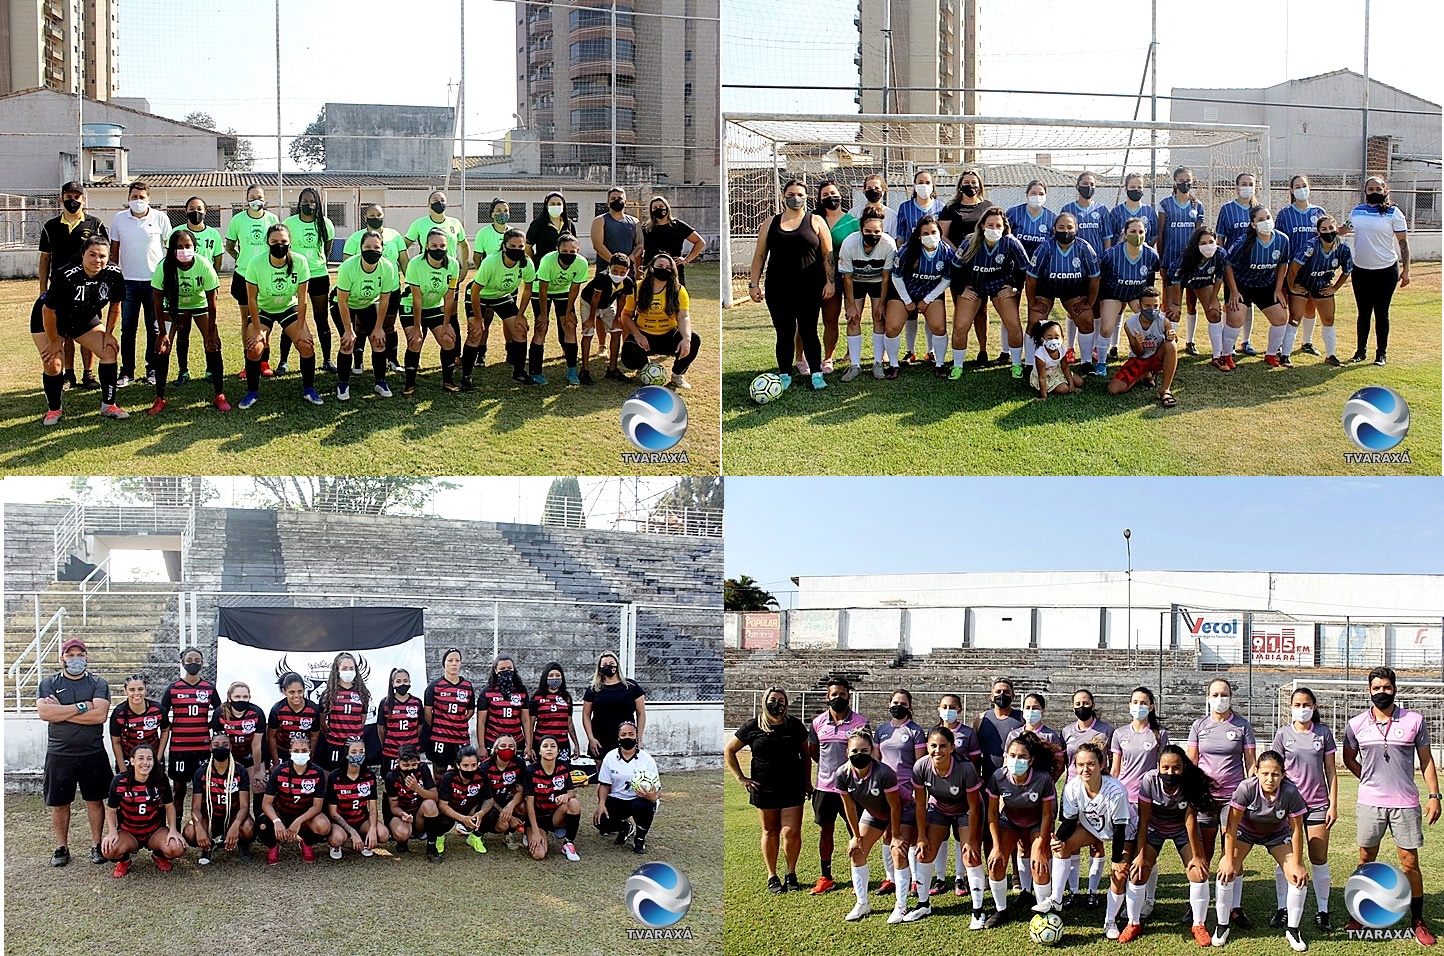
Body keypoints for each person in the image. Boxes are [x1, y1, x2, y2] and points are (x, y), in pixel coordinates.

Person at [1341, 666, 1440, 945]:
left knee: (1410, 864)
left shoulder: (1415, 721)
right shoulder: (1356, 723)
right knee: (1365, 860)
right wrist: (1369, 779)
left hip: (1405, 804)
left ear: (1394, 689)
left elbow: (1426, 761)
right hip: (1370, 803)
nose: (1381, 692)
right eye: (1376, 688)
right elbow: (1349, 758)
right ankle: (1359, 913)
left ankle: (1417, 920)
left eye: (1386, 687)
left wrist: (1434, 795)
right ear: (1369, 691)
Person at [1034, 743, 1137, 944]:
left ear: (1101, 764)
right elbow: (1070, 821)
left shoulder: (1116, 791)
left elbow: (1119, 829)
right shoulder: (1072, 787)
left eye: (1090, 764)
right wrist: (1059, 839)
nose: (1085, 769)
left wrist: (1117, 859)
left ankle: (1110, 922)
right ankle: (1056, 899)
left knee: (1118, 874)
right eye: (1080, 764)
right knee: (1061, 848)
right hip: (1094, 828)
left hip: (1124, 832)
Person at [1212, 751, 1310, 951]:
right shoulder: (1246, 788)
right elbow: (1231, 826)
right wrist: (1229, 858)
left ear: (1283, 775)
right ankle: (1222, 925)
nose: (1270, 779)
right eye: (1265, 773)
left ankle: (1293, 929)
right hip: (1245, 833)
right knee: (1226, 871)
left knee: (1297, 876)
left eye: (1275, 774)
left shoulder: (1290, 792)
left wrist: (1298, 864)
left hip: (1277, 835)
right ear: (1256, 771)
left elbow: (1297, 829)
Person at [1187, 677, 1259, 930]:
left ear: (1231, 697)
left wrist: (1250, 790)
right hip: (1206, 799)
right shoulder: (1199, 725)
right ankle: (1198, 903)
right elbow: (1192, 762)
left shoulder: (1242, 725)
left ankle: (1234, 907)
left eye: (1224, 694)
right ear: (1208, 698)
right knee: (1204, 853)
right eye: (1215, 695)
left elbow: (1251, 763)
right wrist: (1193, 793)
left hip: (1233, 799)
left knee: (1233, 854)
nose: (1220, 699)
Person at [749, 179, 833, 391]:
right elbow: (759, 256)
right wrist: (753, 284)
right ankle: (784, 374)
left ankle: (816, 373)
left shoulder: (816, 221)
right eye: (791, 194)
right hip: (778, 288)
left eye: (800, 194)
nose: (795, 198)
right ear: (783, 196)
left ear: (806, 198)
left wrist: (830, 282)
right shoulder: (770, 223)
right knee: (784, 332)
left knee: (809, 331)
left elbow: (828, 256)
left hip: (809, 287)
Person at [1133, 745, 1218, 947]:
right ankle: (1133, 922)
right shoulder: (1149, 780)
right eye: (1166, 768)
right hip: (1154, 827)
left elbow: (1190, 820)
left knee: (1199, 872)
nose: (1170, 773)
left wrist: (1197, 856)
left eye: (1176, 768)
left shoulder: (1189, 782)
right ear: (1158, 767)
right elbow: (1143, 821)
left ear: (1183, 768)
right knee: (1138, 872)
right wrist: (1140, 854)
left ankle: (1198, 924)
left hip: (1181, 829)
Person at [1268, 686, 1338, 932]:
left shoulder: (1323, 733)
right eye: (1297, 705)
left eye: (1306, 705)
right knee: (1286, 860)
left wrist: (1333, 804)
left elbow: (1331, 770)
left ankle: (1322, 911)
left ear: (1314, 707)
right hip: (1288, 807)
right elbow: (1273, 771)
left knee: (1318, 858)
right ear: (1290, 707)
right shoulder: (1282, 734)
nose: (1302, 709)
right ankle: (1282, 908)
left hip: (1318, 805)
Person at [726, 687, 809, 894]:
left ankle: (791, 873)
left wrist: (807, 781)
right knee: (770, 831)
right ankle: (772, 875)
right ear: (765, 701)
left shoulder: (794, 726)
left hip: (792, 786)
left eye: (781, 700)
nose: (777, 704)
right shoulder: (753, 726)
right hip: (764, 788)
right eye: (773, 700)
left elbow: (806, 755)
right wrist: (741, 778)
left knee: (792, 831)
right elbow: (730, 750)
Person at [38, 638, 112, 866]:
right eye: (70, 655)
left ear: (87, 657)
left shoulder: (98, 683)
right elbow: (45, 714)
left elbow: (99, 716)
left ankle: (96, 845)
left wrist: (60, 710)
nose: (75, 659)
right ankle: (62, 847)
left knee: (95, 800)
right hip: (60, 753)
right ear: (62, 658)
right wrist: (83, 706)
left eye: (80, 654)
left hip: (92, 752)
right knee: (60, 803)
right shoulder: (49, 683)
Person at [37, 236, 127, 423]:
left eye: (102, 256)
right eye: (92, 255)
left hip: (82, 318)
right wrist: (55, 342)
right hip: (51, 319)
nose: (97, 260)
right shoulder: (66, 275)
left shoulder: (114, 273)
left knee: (109, 351)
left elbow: (115, 305)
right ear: (82, 255)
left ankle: (108, 405)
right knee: (53, 363)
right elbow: (48, 311)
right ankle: (54, 409)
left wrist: (108, 334)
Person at [907, 725, 986, 926]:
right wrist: (922, 836)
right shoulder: (920, 767)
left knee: (970, 854)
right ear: (927, 746)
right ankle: (923, 904)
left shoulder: (966, 768)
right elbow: (920, 804)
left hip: (966, 809)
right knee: (924, 852)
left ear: (952, 747)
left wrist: (972, 840)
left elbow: (974, 806)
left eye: (943, 746)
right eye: (933, 745)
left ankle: (978, 910)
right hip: (939, 807)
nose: (938, 750)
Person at [828, 728, 908, 923]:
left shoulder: (884, 772)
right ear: (847, 752)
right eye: (854, 751)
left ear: (872, 751)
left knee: (897, 850)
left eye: (864, 751)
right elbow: (850, 809)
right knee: (857, 851)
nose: (859, 755)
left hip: (905, 810)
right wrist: (856, 836)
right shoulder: (841, 774)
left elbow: (895, 807)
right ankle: (862, 903)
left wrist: (895, 835)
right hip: (875, 813)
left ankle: (901, 906)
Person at [34, 180, 106, 392]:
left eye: (77, 196)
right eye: (69, 196)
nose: (72, 200)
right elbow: (45, 260)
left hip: (89, 289)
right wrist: (42, 290)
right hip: (60, 290)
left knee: (88, 330)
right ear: (61, 198)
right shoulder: (51, 227)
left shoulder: (95, 224)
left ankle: (89, 374)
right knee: (64, 335)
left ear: (84, 199)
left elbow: (103, 256)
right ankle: (69, 374)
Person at [240, 223, 320, 408]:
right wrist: (259, 329)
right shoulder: (256, 263)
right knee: (254, 348)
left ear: (290, 242)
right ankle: (252, 392)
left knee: (306, 346)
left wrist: (300, 328)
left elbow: (302, 298)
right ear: (267, 242)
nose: (279, 244)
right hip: (263, 309)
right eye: (274, 241)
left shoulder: (299, 262)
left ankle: (309, 390)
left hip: (287, 307)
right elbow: (251, 299)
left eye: (283, 241)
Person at [984, 731, 1059, 928]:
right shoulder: (998, 776)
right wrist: (997, 846)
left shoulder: (1043, 779)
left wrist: (1042, 847)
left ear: (1031, 760)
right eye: (1012, 755)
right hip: (1010, 821)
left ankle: (1045, 911)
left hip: (1036, 823)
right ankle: (1001, 910)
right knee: (996, 862)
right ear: (1006, 756)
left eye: (1022, 756)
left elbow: (1046, 815)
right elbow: (992, 813)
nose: (1016, 760)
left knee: (1039, 863)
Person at [805, 677, 869, 894]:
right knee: (826, 831)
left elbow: (865, 753)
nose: (838, 698)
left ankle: (858, 876)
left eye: (842, 694)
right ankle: (826, 876)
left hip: (853, 789)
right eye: (834, 695)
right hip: (825, 788)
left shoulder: (861, 722)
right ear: (827, 697)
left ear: (848, 696)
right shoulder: (817, 723)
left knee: (857, 832)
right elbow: (814, 752)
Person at [147, 228, 221, 414]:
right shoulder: (164, 266)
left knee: (213, 345)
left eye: (187, 246)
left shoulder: (203, 264)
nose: (184, 250)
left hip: (200, 305)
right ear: (171, 249)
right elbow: (156, 301)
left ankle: (219, 394)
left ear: (194, 247)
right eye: (179, 246)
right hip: (172, 308)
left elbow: (212, 303)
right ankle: (160, 398)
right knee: (163, 348)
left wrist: (211, 331)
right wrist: (162, 332)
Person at [949, 207, 1028, 379]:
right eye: (990, 225)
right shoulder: (970, 242)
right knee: (960, 326)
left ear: (1004, 227)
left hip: (1000, 287)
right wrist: (963, 289)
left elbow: (1024, 268)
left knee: (1014, 324)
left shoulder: (1011, 242)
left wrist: (1014, 287)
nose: (994, 229)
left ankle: (1016, 364)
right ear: (982, 225)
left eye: (998, 225)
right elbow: (954, 268)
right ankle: (957, 365)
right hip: (974, 286)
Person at [109, 180, 172, 387]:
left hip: (154, 284)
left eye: (141, 197)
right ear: (128, 198)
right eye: (134, 197)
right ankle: (126, 371)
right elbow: (114, 251)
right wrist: (114, 277)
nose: (138, 201)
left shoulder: (160, 218)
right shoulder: (119, 219)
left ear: (149, 199)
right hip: (127, 283)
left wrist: (167, 278)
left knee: (153, 328)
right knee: (128, 328)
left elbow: (169, 248)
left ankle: (152, 369)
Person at [1058, 690, 1117, 908]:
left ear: (1093, 704)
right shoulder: (1066, 731)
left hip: (1097, 793)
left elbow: (1111, 762)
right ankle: (1073, 891)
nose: (1082, 706)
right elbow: (1064, 762)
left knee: (1096, 842)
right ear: (1072, 706)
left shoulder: (1106, 730)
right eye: (1078, 703)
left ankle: (1092, 891)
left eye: (1086, 702)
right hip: (1073, 794)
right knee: (1071, 842)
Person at [1025, 212, 1100, 374]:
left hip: (1073, 289)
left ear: (1076, 229)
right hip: (1046, 288)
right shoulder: (1045, 248)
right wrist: (1032, 302)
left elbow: (1095, 278)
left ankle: (1086, 362)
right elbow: (1031, 278)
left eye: (1069, 227)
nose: (1065, 231)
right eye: (1061, 227)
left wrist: (1090, 302)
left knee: (1087, 319)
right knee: (1035, 320)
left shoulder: (1084, 248)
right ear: (1054, 230)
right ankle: (1030, 364)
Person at [1346, 176, 1410, 366]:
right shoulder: (1357, 212)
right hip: (1361, 270)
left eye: (1378, 189)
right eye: (1371, 189)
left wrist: (1406, 269)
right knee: (1363, 313)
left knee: (1382, 313)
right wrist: (1323, 229)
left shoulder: (1394, 213)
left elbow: (1403, 243)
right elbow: (1343, 229)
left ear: (1385, 190)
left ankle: (1381, 354)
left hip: (1385, 271)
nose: (1375, 192)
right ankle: (1360, 351)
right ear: (1365, 191)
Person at [872, 690, 927, 903]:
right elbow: (876, 758)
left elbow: (919, 763)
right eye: (895, 702)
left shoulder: (915, 731)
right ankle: (890, 878)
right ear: (889, 704)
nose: (899, 706)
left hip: (906, 789)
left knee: (909, 836)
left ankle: (914, 879)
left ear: (909, 707)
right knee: (888, 834)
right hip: (885, 790)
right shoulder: (882, 730)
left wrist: (915, 790)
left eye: (903, 703)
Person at [100, 742, 185, 876]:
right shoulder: (119, 781)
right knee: (109, 850)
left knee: (177, 848)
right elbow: (111, 810)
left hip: (154, 831)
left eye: (149, 759)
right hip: (129, 832)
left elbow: (169, 806)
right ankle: (124, 860)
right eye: (141, 758)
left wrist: (173, 830)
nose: (145, 762)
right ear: (132, 761)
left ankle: (158, 855)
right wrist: (111, 832)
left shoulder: (161, 779)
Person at [618, 252, 702, 389]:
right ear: (651, 268)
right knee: (628, 354)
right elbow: (626, 315)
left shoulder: (679, 290)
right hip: (644, 335)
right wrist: (637, 335)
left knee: (694, 339)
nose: (664, 269)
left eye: (668, 267)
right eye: (660, 266)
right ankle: (644, 368)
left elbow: (683, 316)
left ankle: (677, 375)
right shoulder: (637, 287)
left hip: (668, 334)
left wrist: (686, 338)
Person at [332, 230, 399, 398]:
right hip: (343, 304)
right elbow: (342, 301)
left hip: (368, 304)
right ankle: (343, 384)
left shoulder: (388, 268)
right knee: (347, 343)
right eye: (367, 246)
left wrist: (378, 328)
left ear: (383, 249)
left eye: (376, 247)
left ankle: (380, 382)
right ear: (360, 248)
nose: (372, 250)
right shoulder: (348, 267)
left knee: (379, 341)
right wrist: (348, 329)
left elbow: (384, 300)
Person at [342, 203, 409, 371]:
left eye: (378, 215)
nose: (375, 218)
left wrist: (409, 283)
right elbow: (347, 264)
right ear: (365, 217)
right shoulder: (355, 238)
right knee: (361, 326)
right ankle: (358, 361)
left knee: (388, 326)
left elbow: (404, 262)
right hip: (363, 292)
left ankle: (392, 360)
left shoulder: (394, 236)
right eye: (371, 215)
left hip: (390, 289)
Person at [1224, 205, 1293, 367]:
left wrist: (1278, 289)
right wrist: (1233, 291)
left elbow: (1283, 264)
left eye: (1268, 218)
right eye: (1260, 220)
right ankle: (1225, 355)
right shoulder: (1243, 242)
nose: (1266, 222)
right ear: (1253, 224)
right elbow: (1227, 264)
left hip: (1265, 285)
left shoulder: (1282, 240)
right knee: (1235, 320)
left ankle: (1270, 355)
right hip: (1242, 285)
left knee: (1281, 318)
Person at [886, 215, 953, 378]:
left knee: (939, 327)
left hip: (930, 292)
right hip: (903, 292)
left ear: (939, 231)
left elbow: (946, 279)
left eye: (933, 232)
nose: (931, 236)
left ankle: (940, 364)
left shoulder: (946, 252)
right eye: (925, 233)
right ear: (919, 236)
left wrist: (927, 300)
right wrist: (908, 301)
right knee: (892, 327)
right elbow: (896, 277)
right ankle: (893, 364)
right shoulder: (907, 251)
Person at [223, 184, 279, 379]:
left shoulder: (272, 219)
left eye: (260, 197)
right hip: (244, 275)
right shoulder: (238, 220)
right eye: (252, 197)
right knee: (247, 320)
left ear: (265, 199)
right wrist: (240, 258)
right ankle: (249, 362)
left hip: (265, 275)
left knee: (266, 319)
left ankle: (264, 361)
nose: (257, 200)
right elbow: (230, 245)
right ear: (246, 199)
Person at [159, 647, 222, 819]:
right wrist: (172, 726)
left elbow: (220, 711)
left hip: (202, 747)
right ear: (182, 662)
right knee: (179, 791)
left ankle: (200, 828)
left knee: (201, 790)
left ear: (202, 663)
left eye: (196, 660)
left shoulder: (209, 688)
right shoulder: (173, 688)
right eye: (189, 660)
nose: (193, 663)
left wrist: (208, 725)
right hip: (179, 748)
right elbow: (161, 712)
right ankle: (177, 830)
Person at [168, 196, 224, 386]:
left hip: (202, 293)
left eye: (199, 208)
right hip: (182, 293)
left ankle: (211, 370)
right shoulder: (176, 232)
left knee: (210, 332)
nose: (196, 212)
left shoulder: (213, 235)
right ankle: (183, 371)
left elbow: (217, 260)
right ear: (186, 211)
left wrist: (210, 281)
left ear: (205, 211)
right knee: (182, 335)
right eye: (192, 208)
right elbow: (169, 261)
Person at [1095, 217, 1162, 378]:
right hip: (1113, 293)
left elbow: (1150, 284)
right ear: (1124, 234)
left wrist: (1148, 305)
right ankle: (1101, 362)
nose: (1137, 235)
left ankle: (1150, 360)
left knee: (1150, 321)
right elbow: (1100, 278)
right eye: (1133, 231)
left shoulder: (1151, 255)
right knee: (1106, 328)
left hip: (1136, 294)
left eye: (1141, 232)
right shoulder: (1110, 255)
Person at [471, 225, 536, 386]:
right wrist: (478, 318)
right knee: (476, 331)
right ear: (504, 246)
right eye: (512, 246)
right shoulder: (491, 261)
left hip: (501, 296)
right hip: (482, 295)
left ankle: (519, 373)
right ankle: (467, 373)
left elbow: (528, 289)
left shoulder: (526, 263)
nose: (517, 249)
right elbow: (475, 292)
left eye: (521, 246)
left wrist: (521, 315)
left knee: (520, 329)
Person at [836, 208, 896, 381]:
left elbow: (886, 278)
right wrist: (851, 305)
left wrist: (882, 303)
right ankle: (855, 365)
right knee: (853, 319)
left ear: (882, 231)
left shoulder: (888, 245)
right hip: (856, 282)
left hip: (878, 282)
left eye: (877, 231)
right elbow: (847, 278)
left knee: (879, 317)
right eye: (868, 231)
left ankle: (878, 363)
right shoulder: (849, 244)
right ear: (861, 230)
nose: (873, 235)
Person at [1285, 215, 1353, 367]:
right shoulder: (1311, 246)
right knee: (1295, 317)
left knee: (1328, 319)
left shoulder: (1343, 248)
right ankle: (1285, 355)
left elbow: (1347, 271)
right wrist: (1291, 287)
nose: (1328, 231)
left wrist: (1334, 288)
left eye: (1331, 228)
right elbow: (1293, 269)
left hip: (1322, 284)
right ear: (1318, 232)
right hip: (1302, 283)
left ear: (1336, 229)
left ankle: (1330, 355)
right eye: (1324, 229)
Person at [401, 227, 461, 394]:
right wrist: (417, 326)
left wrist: (448, 324)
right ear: (426, 245)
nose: (438, 249)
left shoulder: (453, 265)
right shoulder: (415, 264)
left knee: (448, 340)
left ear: (447, 246)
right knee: (415, 341)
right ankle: (409, 384)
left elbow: (450, 297)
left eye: (442, 245)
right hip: (411, 306)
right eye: (433, 245)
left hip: (435, 307)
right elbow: (417, 298)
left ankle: (448, 381)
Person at [1274, 175, 1327, 356]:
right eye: (1297, 186)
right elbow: (1279, 242)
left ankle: (1307, 342)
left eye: (1304, 185)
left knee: (1311, 306)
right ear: (1291, 190)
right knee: (1292, 308)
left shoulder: (1319, 212)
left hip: (1314, 269)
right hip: (1292, 270)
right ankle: (1283, 344)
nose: (1301, 189)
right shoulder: (1284, 214)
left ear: (1309, 187)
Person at [258, 733, 330, 865]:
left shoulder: (317, 772)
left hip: (305, 815)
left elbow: (317, 806)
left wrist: (298, 821)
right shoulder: (279, 771)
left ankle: (306, 843)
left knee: (324, 826)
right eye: (296, 751)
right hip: (282, 812)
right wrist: (276, 821)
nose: (300, 754)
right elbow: (266, 803)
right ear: (290, 752)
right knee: (263, 825)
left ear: (310, 752)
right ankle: (273, 847)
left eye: (304, 751)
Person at [184, 730, 254, 864]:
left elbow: (244, 806)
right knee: (190, 832)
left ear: (231, 747)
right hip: (211, 818)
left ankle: (242, 844)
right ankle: (207, 846)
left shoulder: (240, 771)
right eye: (216, 744)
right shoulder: (201, 772)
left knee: (248, 828)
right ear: (210, 747)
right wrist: (199, 827)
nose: (220, 748)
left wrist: (236, 825)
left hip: (233, 816)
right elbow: (196, 808)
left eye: (225, 744)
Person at [1157, 167, 1206, 356]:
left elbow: (1199, 234)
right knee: (1170, 305)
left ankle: (1191, 341)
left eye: (1189, 180)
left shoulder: (1197, 205)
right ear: (1175, 182)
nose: (1186, 183)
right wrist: (1162, 260)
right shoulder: (1165, 204)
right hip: (1171, 261)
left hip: (1192, 263)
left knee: (1192, 303)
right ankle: (1169, 341)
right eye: (1182, 179)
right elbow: (1161, 234)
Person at [809, 181, 857, 374]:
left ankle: (828, 358)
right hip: (813, 275)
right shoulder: (811, 219)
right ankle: (800, 357)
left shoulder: (851, 222)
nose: (830, 197)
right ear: (820, 199)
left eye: (833, 193)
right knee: (806, 320)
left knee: (831, 319)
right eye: (825, 195)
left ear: (841, 195)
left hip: (841, 276)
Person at [1170, 226, 1235, 370]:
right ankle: (1165, 355)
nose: (1208, 246)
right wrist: (1176, 303)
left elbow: (1219, 278)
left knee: (1214, 313)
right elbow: (1176, 280)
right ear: (1196, 244)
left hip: (1203, 281)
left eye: (1211, 242)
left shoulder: (1220, 254)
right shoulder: (1187, 256)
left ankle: (1217, 356)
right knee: (1173, 314)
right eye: (1203, 243)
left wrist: (1213, 299)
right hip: (1180, 282)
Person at [532, 232, 590, 384]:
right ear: (557, 250)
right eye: (564, 251)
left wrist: (569, 311)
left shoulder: (581, 263)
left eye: (572, 251)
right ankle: (535, 372)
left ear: (577, 251)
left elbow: (574, 289)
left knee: (569, 326)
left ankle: (572, 371)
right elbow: (543, 289)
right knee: (541, 327)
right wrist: (544, 314)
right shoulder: (547, 260)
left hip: (563, 292)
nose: (568, 254)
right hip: (540, 291)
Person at [594, 721, 660, 854]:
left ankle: (640, 838)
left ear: (637, 736)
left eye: (631, 734)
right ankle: (625, 827)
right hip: (617, 799)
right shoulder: (610, 757)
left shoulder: (646, 759)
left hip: (639, 800)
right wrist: (601, 804)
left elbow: (657, 790)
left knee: (642, 806)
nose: (627, 738)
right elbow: (604, 785)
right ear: (618, 737)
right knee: (600, 821)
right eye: (623, 734)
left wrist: (653, 797)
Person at [468, 199, 516, 380]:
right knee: (485, 319)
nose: (502, 213)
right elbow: (478, 257)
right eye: (498, 210)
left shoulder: (513, 233)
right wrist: (485, 278)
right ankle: (481, 353)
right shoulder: (484, 233)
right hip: (488, 287)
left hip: (508, 285)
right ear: (492, 214)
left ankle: (511, 351)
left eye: (505, 210)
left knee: (508, 319)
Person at [1107, 286, 1179, 407]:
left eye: (1155, 306)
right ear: (1139, 306)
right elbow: (1139, 353)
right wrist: (1138, 342)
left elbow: (1172, 344)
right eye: (1147, 306)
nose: (1152, 310)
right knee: (1114, 389)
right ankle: (1145, 374)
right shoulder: (1130, 324)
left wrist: (1172, 336)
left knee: (1171, 345)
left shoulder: (1163, 321)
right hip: (1139, 359)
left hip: (1157, 357)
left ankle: (1165, 390)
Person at [211, 681, 267, 827]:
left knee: (259, 786)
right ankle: (230, 823)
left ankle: (260, 825)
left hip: (250, 754)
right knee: (229, 788)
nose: (241, 700)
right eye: (237, 696)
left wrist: (257, 771)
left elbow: (256, 744)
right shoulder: (220, 713)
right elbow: (219, 742)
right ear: (229, 698)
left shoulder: (256, 713)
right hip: (228, 756)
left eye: (245, 696)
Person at [576, 253, 635, 383]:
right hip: (589, 302)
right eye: (615, 271)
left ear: (627, 271)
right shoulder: (602, 278)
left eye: (622, 272)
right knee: (588, 332)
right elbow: (595, 298)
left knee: (616, 332)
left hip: (607, 304)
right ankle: (584, 370)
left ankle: (612, 369)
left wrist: (616, 318)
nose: (618, 274)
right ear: (609, 268)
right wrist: (591, 318)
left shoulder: (627, 282)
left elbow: (622, 299)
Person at [325, 737, 385, 859]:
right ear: (346, 753)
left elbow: (373, 807)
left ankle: (364, 839)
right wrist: (352, 832)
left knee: (383, 834)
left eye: (361, 751)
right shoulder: (334, 777)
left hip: (361, 819)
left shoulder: (369, 775)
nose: (358, 755)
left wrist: (372, 828)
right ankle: (336, 845)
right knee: (337, 839)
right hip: (341, 821)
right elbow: (333, 813)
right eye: (354, 752)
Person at [525, 734, 583, 861]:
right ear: (539, 751)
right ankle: (530, 834)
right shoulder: (531, 770)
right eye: (545, 746)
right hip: (538, 819)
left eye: (553, 746)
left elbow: (571, 792)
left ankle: (568, 843)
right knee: (539, 855)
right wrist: (535, 832)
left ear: (557, 751)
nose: (549, 749)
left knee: (573, 803)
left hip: (555, 816)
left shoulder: (563, 766)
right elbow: (529, 803)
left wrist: (565, 796)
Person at [432, 744, 495, 857]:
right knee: (442, 820)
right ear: (458, 764)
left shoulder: (481, 774)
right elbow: (443, 805)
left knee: (492, 813)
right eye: (465, 765)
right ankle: (439, 837)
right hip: (452, 810)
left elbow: (489, 799)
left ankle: (475, 837)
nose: (470, 769)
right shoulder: (449, 777)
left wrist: (480, 813)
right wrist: (462, 819)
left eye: (473, 765)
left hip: (471, 808)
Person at [583, 651, 646, 760]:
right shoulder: (593, 689)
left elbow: (641, 713)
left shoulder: (631, 686)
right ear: (599, 668)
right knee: (602, 775)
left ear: (617, 665)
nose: (608, 666)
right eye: (604, 665)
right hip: (601, 739)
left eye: (611, 663)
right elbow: (586, 715)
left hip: (625, 737)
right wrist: (591, 739)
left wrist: (638, 738)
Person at [384, 744, 441, 861]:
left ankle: (431, 846)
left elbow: (435, 797)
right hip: (401, 816)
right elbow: (393, 807)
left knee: (430, 804)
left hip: (420, 815)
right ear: (398, 762)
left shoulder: (423, 769)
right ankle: (402, 841)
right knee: (401, 833)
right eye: (405, 765)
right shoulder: (391, 776)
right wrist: (402, 815)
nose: (410, 768)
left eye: (414, 764)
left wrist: (416, 788)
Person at [424, 648, 476, 770]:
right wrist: (440, 726)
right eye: (450, 660)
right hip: (439, 737)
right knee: (439, 772)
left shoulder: (467, 686)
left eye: (457, 660)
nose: (454, 663)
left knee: (460, 771)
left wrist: (458, 722)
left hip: (460, 737)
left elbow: (470, 711)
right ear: (444, 663)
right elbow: (427, 712)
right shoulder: (435, 686)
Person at [317, 652, 370, 771]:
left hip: (355, 747)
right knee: (333, 778)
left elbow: (362, 720)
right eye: (344, 668)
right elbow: (322, 721)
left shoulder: (362, 693)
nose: (348, 671)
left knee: (356, 777)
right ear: (337, 670)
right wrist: (334, 735)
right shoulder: (328, 694)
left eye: (351, 668)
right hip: (335, 745)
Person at [108, 674, 169, 773]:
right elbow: (116, 742)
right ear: (125, 691)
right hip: (128, 756)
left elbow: (165, 730)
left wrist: (158, 757)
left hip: (151, 756)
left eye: (140, 689)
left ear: (146, 690)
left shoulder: (158, 709)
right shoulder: (119, 713)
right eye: (132, 690)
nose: (137, 693)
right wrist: (122, 768)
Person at [643, 194, 706, 288]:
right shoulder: (646, 228)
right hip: (652, 269)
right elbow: (639, 248)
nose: (658, 209)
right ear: (651, 211)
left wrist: (686, 259)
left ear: (667, 208)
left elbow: (700, 242)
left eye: (661, 206)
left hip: (673, 269)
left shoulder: (678, 226)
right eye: (655, 207)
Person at [479, 734, 529, 846]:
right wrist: (508, 816)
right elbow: (485, 797)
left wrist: (510, 806)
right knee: (502, 824)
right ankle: (478, 832)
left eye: (511, 746)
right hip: (490, 802)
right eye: (503, 745)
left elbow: (520, 790)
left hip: (508, 799)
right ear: (496, 749)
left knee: (524, 807)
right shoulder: (485, 767)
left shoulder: (519, 763)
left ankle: (509, 834)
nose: (507, 749)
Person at [267, 671, 321, 770]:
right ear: (284, 691)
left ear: (304, 690)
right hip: (283, 751)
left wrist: (310, 758)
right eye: (292, 692)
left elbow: (314, 737)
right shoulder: (277, 709)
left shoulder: (313, 709)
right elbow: (271, 737)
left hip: (303, 752)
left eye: (300, 691)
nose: (296, 695)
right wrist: (275, 762)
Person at [528, 661, 579, 761]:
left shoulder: (567, 698)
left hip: (562, 743)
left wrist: (576, 744)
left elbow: (569, 723)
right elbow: (530, 724)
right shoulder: (536, 698)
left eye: (557, 675)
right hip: (541, 743)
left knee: (562, 774)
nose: (554, 678)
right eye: (551, 675)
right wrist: (529, 746)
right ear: (545, 677)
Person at [377, 668, 424, 772]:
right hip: (391, 751)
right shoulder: (385, 703)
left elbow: (420, 726)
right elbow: (381, 728)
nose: (402, 684)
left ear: (410, 682)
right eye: (398, 681)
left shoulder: (417, 702)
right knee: (391, 780)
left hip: (413, 750)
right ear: (393, 683)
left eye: (405, 681)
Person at [590, 186, 645, 274]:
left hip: (628, 272)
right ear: (608, 202)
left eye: (620, 198)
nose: (616, 200)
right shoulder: (599, 221)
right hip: (606, 271)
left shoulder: (635, 222)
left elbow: (640, 246)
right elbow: (598, 246)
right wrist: (615, 264)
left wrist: (626, 263)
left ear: (625, 202)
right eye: (613, 198)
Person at [478, 657, 528, 752]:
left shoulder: (521, 690)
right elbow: (481, 722)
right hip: (493, 741)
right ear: (495, 670)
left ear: (514, 669)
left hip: (516, 742)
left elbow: (525, 720)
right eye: (502, 669)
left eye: (509, 668)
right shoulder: (487, 691)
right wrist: (481, 746)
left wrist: (529, 746)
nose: (506, 671)